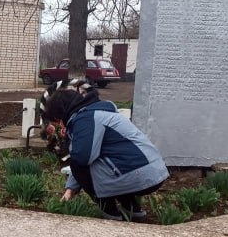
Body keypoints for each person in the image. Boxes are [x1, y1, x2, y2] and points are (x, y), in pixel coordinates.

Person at [43, 86, 169, 222]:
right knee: (111, 168)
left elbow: (81, 160)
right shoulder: (100, 112)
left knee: (85, 166)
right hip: (153, 171)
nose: (59, 125)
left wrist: (70, 139)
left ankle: (110, 213)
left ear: (62, 113)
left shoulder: (86, 119)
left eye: (57, 120)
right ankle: (134, 212)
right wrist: (71, 189)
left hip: (137, 175)